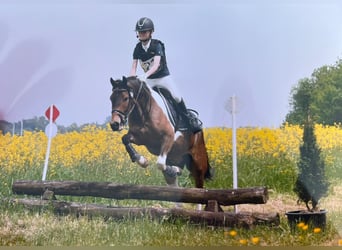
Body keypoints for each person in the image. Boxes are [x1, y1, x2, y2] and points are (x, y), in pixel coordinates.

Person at [129, 17, 202, 133]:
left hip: (162, 78)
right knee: (137, 96)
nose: (141, 34)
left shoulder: (157, 45)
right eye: (139, 32)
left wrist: (144, 75)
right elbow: (133, 67)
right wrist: (131, 80)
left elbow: (156, 65)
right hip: (149, 80)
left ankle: (188, 119)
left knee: (177, 96)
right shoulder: (137, 48)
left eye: (144, 31)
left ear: (151, 32)